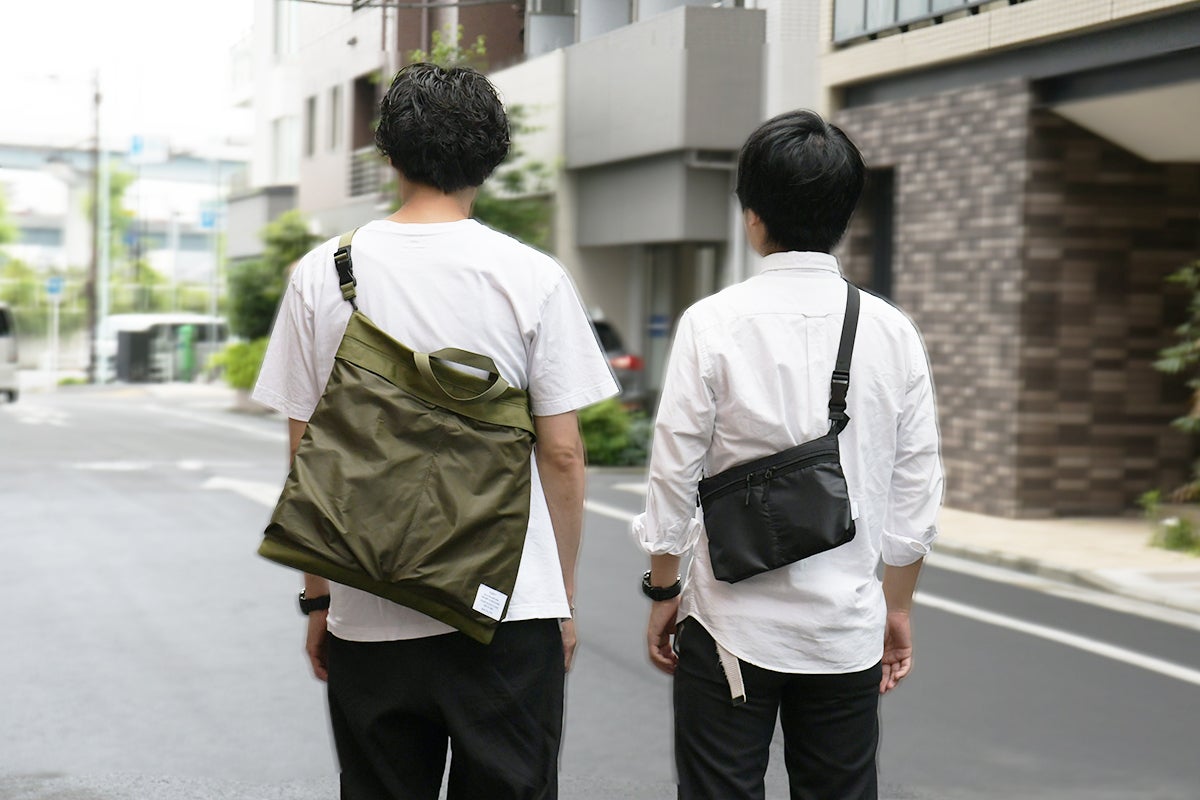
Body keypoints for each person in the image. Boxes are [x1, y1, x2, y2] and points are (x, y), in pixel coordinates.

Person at [253, 63, 619, 799]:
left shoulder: (323, 273)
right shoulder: (531, 276)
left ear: (388, 153)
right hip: (507, 611)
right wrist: (560, 598)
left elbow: (307, 454)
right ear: (490, 157)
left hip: (369, 610)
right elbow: (562, 454)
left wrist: (319, 599)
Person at [632, 109, 943, 800]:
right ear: (845, 215)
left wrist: (664, 589)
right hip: (845, 630)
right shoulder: (892, 332)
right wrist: (896, 605)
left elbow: (673, 473)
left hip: (728, 624)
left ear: (753, 214)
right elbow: (916, 487)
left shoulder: (712, 323)